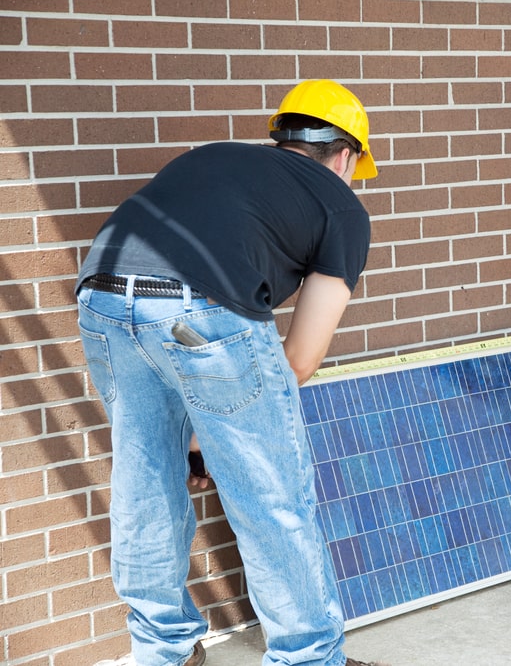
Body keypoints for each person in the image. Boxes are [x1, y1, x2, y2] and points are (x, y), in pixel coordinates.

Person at [76, 79, 389, 665]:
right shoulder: (341, 205)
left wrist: (199, 434)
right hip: (198, 309)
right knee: (270, 492)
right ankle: (308, 657)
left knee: (144, 482)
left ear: (282, 138)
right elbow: (297, 360)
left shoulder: (218, 155)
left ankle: (162, 651)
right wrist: (219, 432)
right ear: (346, 155)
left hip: (103, 296)